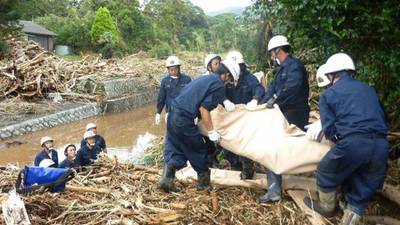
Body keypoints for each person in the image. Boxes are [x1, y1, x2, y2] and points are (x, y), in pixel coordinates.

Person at [303, 53, 389, 225]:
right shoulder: (369, 89)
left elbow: (331, 132)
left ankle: (327, 208)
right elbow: (381, 117)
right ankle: (352, 214)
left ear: (332, 75)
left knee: (326, 170)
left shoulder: (328, 95)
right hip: (381, 145)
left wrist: (339, 146)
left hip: (355, 143)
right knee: (363, 182)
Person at [158, 59, 241, 193]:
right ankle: (204, 185)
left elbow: (193, 99)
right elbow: (204, 109)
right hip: (184, 118)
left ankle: (166, 180)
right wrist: (212, 131)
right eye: (229, 80)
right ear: (226, 74)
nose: (228, 83)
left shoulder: (205, 79)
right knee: (197, 148)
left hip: (173, 114)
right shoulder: (219, 85)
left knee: (175, 146)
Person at [259, 35, 310, 203]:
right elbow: (273, 87)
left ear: (278, 51)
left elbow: (291, 88)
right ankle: (279, 180)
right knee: (279, 148)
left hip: (294, 113)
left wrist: (275, 99)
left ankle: (274, 190)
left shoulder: (294, 66)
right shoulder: (281, 69)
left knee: (274, 147)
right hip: (284, 112)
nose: (272, 57)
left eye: (272, 53)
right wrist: (260, 103)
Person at [223, 50, 265, 179]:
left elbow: (259, 89)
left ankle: (247, 168)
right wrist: (224, 100)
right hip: (229, 116)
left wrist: (255, 99)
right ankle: (234, 165)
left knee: (244, 144)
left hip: (245, 117)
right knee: (228, 143)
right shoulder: (225, 78)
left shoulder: (248, 78)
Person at [155, 56, 192, 125]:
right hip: (170, 113)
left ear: (179, 68)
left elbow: (192, 97)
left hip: (185, 113)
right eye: (171, 70)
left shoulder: (187, 79)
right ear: (168, 70)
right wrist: (158, 113)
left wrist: (195, 113)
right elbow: (161, 98)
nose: (173, 71)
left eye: (175, 69)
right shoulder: (165, 81)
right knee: (172, 133)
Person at [203, 53, 222, 168]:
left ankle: (216, 154)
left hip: (219, 112)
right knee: (209, 138)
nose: (219, 66)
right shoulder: (204, 79)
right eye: (216, 64)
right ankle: (211, 159)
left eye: (220, 63)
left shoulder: (223, 77)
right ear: (209, 67)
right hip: (207, 114)